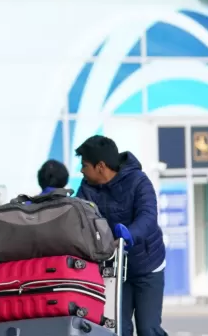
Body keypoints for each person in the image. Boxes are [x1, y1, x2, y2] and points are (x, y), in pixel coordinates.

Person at [74, 135, 167, 336]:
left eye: (84, 165)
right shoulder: (86, 189)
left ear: (100, 166)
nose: (81, 170)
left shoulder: (138, 181)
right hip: (115, 271)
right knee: (117, 329)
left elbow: (148, 216)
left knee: (148, 329)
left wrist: (130, 233)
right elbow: (77, 218)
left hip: (147, 266)